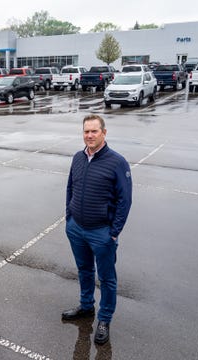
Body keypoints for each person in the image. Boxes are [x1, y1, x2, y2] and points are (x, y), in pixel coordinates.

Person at [63, 114, 132, 345]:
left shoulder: (117, 162)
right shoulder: (77, 158)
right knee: (84, 270)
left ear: (104, 132)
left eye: (94, 131)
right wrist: (69, 217)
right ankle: (86, 307)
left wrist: (114, 232)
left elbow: (125, 200)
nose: (89, 136)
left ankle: (104, 319)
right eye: (86, 131)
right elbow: (70, 188)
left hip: (102, 233)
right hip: (77, 229)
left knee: (107, 278)